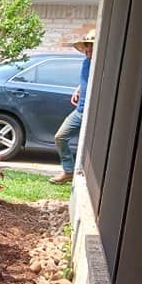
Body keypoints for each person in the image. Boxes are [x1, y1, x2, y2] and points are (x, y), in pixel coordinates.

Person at [50, 29, 94, 184]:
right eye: (87, 45)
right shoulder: (87, 62)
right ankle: (68, 171)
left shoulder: (103, 65)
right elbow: (86, 81)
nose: (88, 49)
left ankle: (88, 179)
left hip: (94, 115)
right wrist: (79, 88)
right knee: (60, 137)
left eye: (92, 46)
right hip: (80, 111)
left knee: (92, 149)